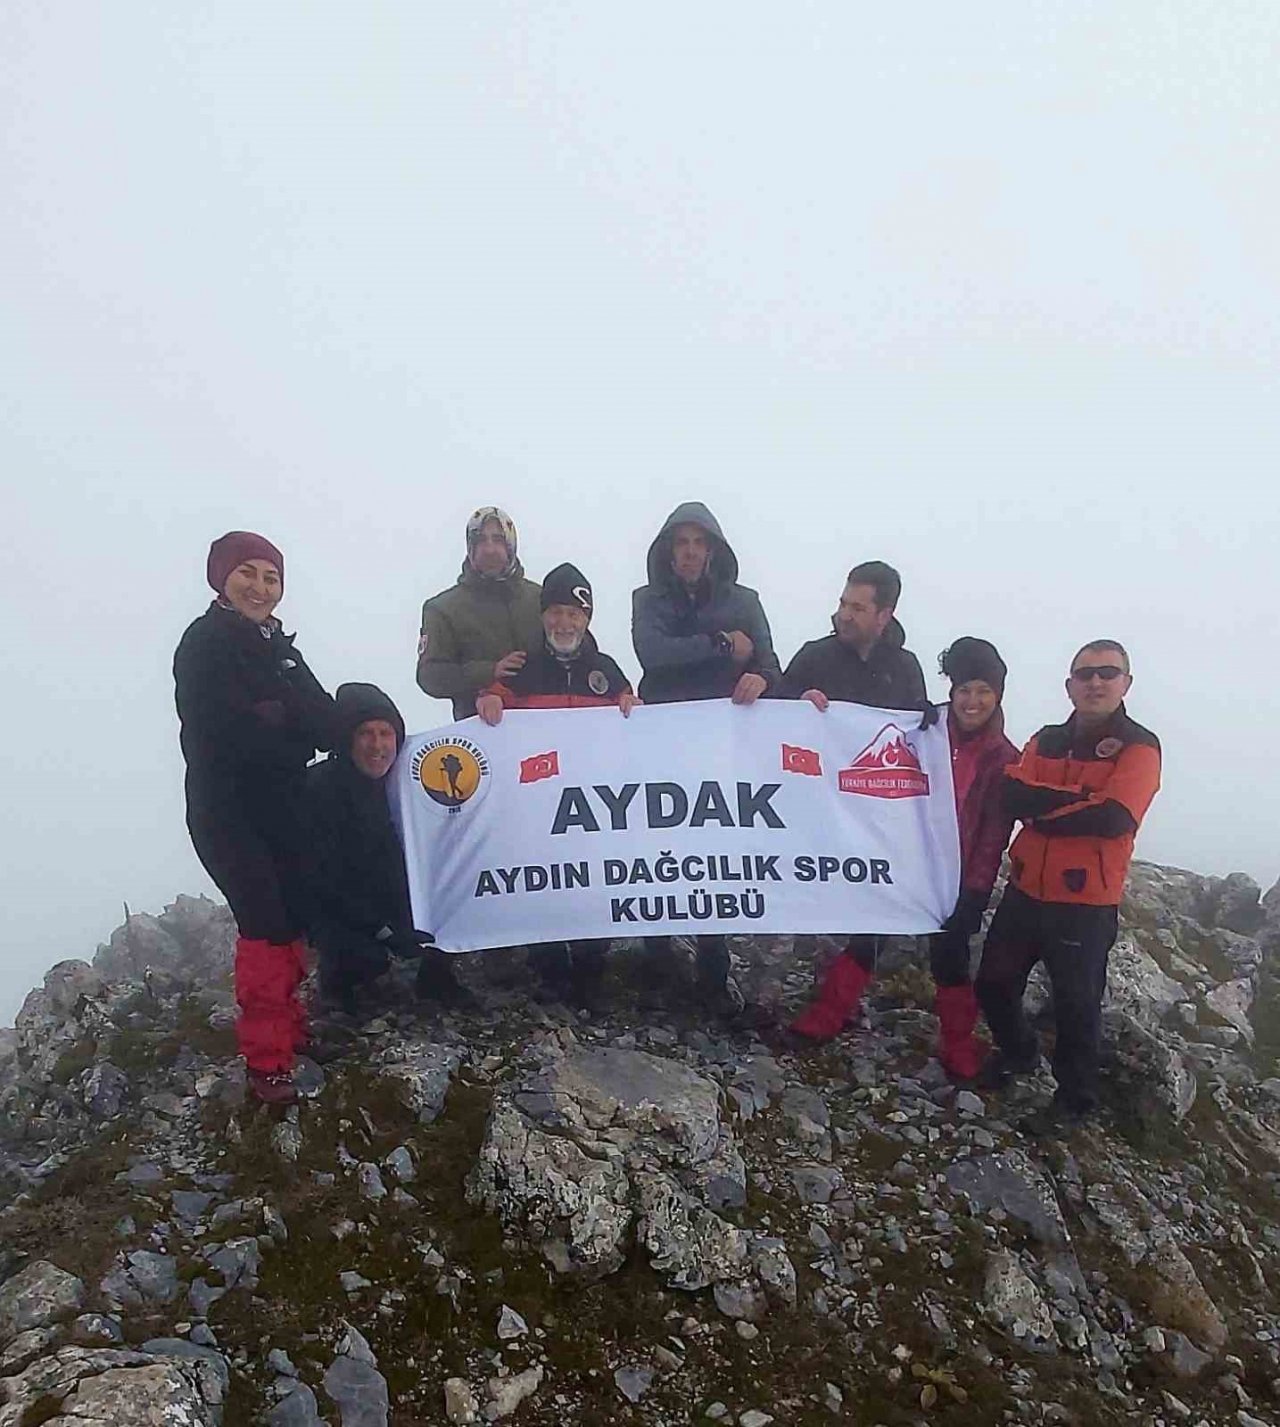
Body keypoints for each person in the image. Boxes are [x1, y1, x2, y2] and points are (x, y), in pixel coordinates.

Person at [174, 532, 333, 1104]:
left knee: (292, 913)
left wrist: (281, 716)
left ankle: (289, 1029)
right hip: (227, 812)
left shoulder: (281, 647)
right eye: (248, 573)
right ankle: (267, 1063)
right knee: (264, 920)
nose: (260, 588)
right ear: (221, 577)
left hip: (283, 806)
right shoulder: (203, 643)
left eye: (271, 577)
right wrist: (290, 720)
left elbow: (324, 720)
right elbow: (220, 735)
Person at [975, 640, 1161, 1131]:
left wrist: (1042, 808)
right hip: (1025, 891)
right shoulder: (1047, 739)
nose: (1095, 682)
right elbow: (1011, 793)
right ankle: (1020, 1053)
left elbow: (1114, 816)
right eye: (1085, 674)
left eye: (1107, 673)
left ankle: (1075, 1101)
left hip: (1086, 902)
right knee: (993, 984)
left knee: (1076, 1007)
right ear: (1069, 685)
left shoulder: (1140, 747)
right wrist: (1080, 797)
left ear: (1126, 683)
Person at [631, 502, 782, 1013]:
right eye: (682, 542)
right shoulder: (647, 600)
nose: (690, 552)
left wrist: (760, 676)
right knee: (661, 842)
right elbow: (654, 654)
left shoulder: (745, 601)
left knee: (715, 847)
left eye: (699, 543)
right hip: (663, 743)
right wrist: (721, 645)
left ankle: (714, 963)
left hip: (724, 746)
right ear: (667, 550)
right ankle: (657, 956)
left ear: (714, 550)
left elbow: (770, 663)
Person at [784, 561, 935, 1042]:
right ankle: (806, 995)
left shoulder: (905, 669)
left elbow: (914, 740)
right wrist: (797, 703)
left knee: (875, 911)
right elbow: (771, 717)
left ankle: (838, 1004)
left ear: (884, 615)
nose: (844, 615)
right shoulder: (815, 656)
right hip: (816, 812)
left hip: (876, 819)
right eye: (842, 603)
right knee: (820, 911)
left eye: (857, 607)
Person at [477, 563, 639, 1004]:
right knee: (543, 881)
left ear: (587, 618)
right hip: (537, 805)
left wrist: (631, 707)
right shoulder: (521, 667)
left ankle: (590, 969)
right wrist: (489, 701)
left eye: (573, 613)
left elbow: (630, 717)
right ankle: (549, 968)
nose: (564, 623)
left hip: (593, 805)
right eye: (555, 612)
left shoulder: (606, 669)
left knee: (593, 880)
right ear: (542, 615)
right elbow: (492, 708)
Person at [305, 683, 465, 1019]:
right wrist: (383, 929)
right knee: (365, 958)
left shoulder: (408, 783)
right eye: (366, 733)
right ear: (347, 739)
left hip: (390, 897)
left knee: (455, 905)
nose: (377, 745)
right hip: (335, 907)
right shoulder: (319, 789)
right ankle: (338, 988)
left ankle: (435, 981)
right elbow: (322, 879)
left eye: (385, 733)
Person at [928, 638, 1018, 1079]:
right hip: (907, 865)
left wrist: (977, 892)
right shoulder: (925, 731)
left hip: (958, 878)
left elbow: (993, 835)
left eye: (984, 691)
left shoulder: (1005, 758)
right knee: (870, 935)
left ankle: (959, 1045)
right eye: (964, 689)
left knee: (950, 955)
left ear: (998, 695)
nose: (972, 701)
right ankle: (830, 1013)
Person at [416, 507, 544, 722]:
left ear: (511, 545)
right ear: (470, 548)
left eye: (498, 539)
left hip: (547, 726)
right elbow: (430, 676)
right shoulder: (442, 609)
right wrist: (489, 672)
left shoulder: (541, 599)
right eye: (481, 540)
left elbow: (580, 651)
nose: (490, 549)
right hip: (481, 732)